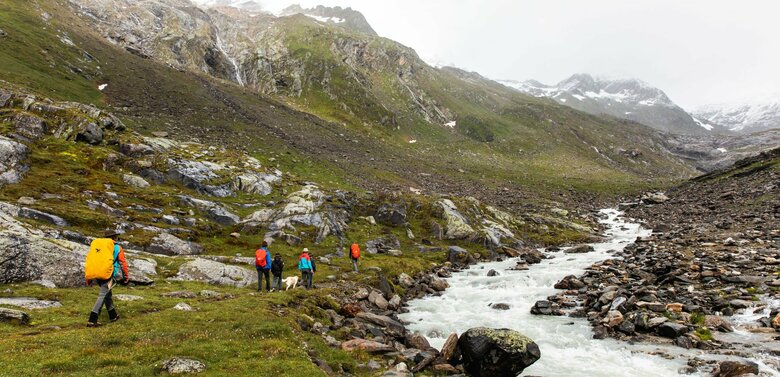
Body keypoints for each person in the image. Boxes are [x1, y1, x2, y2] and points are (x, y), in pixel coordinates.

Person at [87, 230, 129, 327]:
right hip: (109, 275)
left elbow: (92, 260)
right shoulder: (117, 247)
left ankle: (113, 316)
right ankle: (92, 320)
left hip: (98, 274)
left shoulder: (99, 247)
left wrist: (89, 279)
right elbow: (123, 263)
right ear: (114, 237)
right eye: (116, 237)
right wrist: (126, 277)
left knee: (107, 294)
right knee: (103, 295)